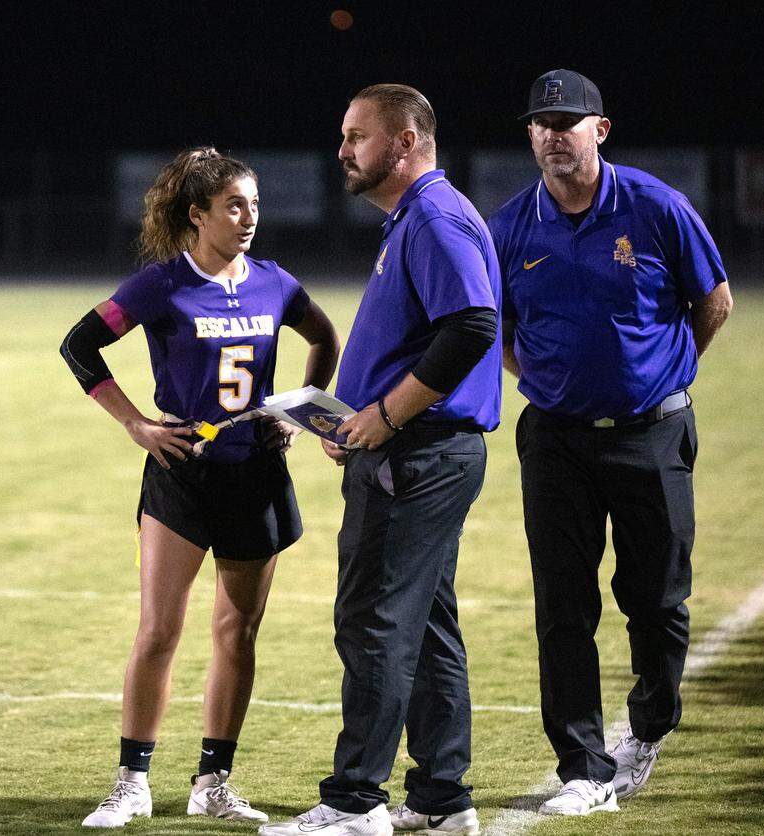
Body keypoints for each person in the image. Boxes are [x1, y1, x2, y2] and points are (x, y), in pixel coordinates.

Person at [59, 147, 340, 828]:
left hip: (256, 477)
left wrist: (299, 413)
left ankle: (212, 781)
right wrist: (137, 425)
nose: (248, 218)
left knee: (237, 632)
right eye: (234, 206)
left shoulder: (275, 283)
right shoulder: (161, 285)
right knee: (159, 629)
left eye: (254, 205)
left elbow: (325, 337)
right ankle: (132, 782)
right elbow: (79, 346)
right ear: (197, 214)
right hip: (182, 475)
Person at [487, 69, 733, 816]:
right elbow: (491, 323)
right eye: (541, 122)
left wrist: (665, 375)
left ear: (600, 129)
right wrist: (543, 380)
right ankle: (582, 768)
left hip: (652, 434)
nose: (554, 134)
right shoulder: (509, 225)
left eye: (568, 121)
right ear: (530, 134)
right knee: (563, 608)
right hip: (556, 441)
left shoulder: (656, 207)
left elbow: (714, 300)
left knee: (656, 601)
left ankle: (650, 724)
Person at [261, 85, 502, 836]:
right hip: (417, 453)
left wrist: (387, 414)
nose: (342, 150)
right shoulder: (420, 215)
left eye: (356, 135)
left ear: (403, 142)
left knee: (374, 624)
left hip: (417, 457)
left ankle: (353, 802)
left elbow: (472, 324)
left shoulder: (431, 214)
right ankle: (441, 798)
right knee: (425, 626)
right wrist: (351, 417)